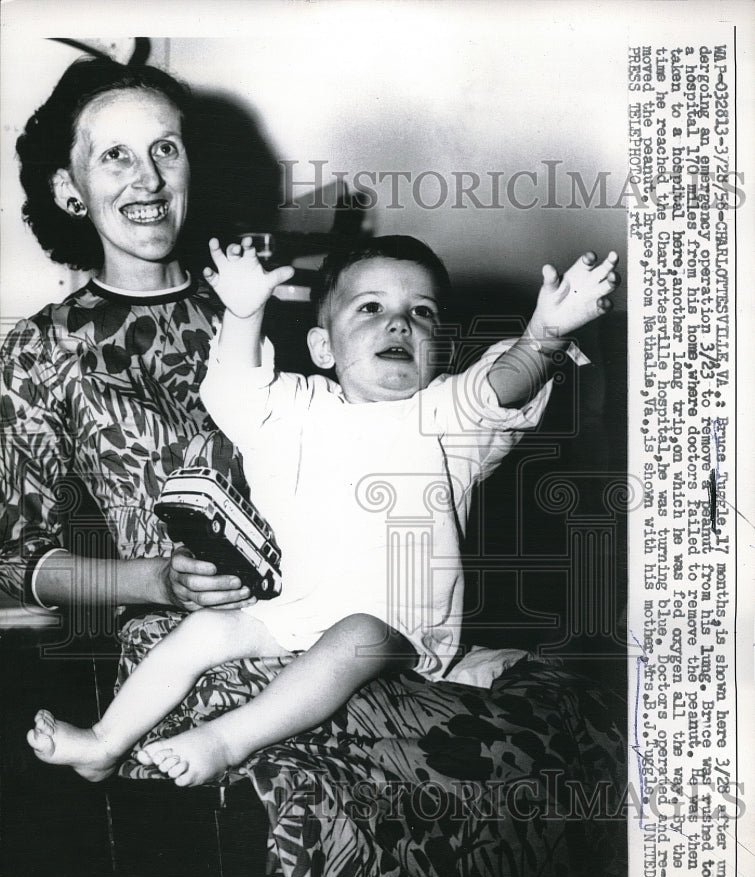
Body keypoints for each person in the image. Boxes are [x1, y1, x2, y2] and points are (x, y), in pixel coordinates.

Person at [26, 232, 619, 787]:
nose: (399, 322)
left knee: (353, 634)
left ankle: (227, 741)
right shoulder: (296, 405)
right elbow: (233, 387)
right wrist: (242, 313)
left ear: (441, 348)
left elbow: (500, 388)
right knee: (204, 630)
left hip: (397, 631)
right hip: (288, 610)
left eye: (423, 312)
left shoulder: (446, 417)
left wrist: (546, 335)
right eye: (369, 308)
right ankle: (106, 740)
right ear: (321, 346)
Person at [0, 58, 286, 632]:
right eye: (115, 156)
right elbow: (14, 557)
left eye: (165, 149)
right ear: (68, 189)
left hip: (324, 615)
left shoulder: (255, 308)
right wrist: (157, 579)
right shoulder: (40, 347)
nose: (148, 179)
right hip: (184, 648)